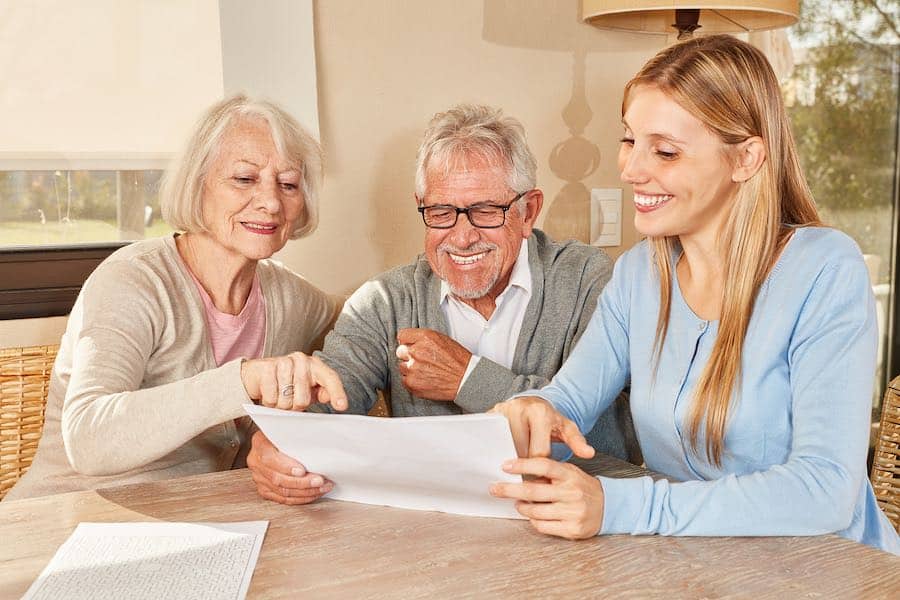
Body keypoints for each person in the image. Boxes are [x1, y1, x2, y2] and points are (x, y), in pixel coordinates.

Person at [487, 35, 900, 554]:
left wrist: (623, 507)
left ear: (746, 157)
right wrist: (534, 410)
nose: (632, 169)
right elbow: (568, 400)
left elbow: (825, 490)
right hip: (694, 562)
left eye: (665, 151)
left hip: (835, 569)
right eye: (629, 140)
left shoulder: (824, 269)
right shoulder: (639, 273)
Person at [247, 104, 640, 505]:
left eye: (486, 211)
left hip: (573, 524)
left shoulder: (587, 280)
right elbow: (326, 405)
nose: (462, 237)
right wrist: (278, 445)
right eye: (441, 212)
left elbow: (608, 441)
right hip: (434, 533)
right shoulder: (385, 301)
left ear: (528, 211)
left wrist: (467, 379)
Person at [5, 94, 346, 501]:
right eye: (244, 178)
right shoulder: (134, 280)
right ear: (197, 183)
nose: (272, 201)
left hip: (197, 524)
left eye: (288, 184)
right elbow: (88, 437)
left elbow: (367, 320)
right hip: (66, 522)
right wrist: (241, 380)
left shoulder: (291, 298)